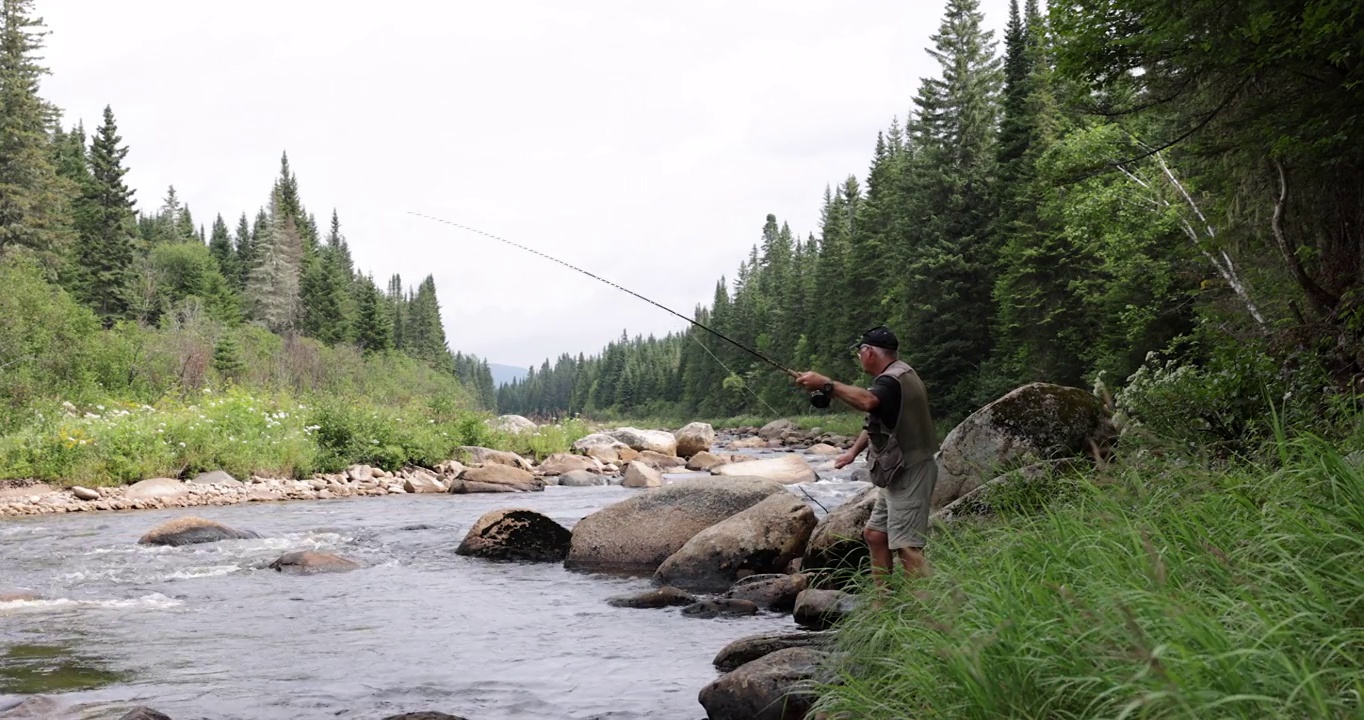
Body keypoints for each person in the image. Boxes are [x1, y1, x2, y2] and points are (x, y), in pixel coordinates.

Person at [793, 325, 939, 580]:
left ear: (869, 351)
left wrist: (826, 384)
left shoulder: (891, 381)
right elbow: (878, 417)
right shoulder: (903, 373)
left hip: (910, 470)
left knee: (907, 546)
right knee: (875, 534)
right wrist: (852, 453)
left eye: (860, 351)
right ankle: (883, 602)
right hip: (898, 471)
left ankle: (926, 611)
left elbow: (868, 402)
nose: (859, 357)